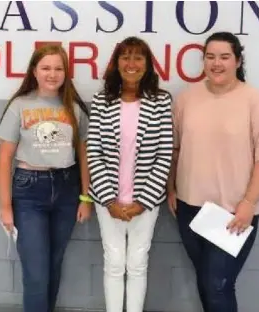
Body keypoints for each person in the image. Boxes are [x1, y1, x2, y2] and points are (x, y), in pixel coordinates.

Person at [167, 32, 259, 312]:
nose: (216, 63)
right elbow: (175, 149)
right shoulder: (186, 99)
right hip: (191, 209)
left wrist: (248, 203)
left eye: (224, 57)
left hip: (234, 213)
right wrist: (172, 189)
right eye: (210, 57)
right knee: (207, 283)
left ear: (238, 60)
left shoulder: (255, 102)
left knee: (218, 283)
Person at [0, 44, 92, 312]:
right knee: (36, 273)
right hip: (29, 191)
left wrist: (85, 197)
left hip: (67, 190)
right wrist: (5, 207)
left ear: (66, 72)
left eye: (58, 68)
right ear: (34, 72)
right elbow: (4, 158)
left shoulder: (74, 108)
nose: (52, 74)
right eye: (46, 68)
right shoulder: (20, 106)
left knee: (53, 266)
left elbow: (84, 156)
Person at [86, 36, 173, 312]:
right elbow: (94, 152)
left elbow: (164, 153)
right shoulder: (101, 100)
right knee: (113, 262)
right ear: (117, 63)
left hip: (145, 202)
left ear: (147, 64)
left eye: (138, 57)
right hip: (107, 200)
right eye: (126, 57)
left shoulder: (161, 101)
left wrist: (143, 201)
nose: (131, 63)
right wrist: (110, 201)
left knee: (137, 263)